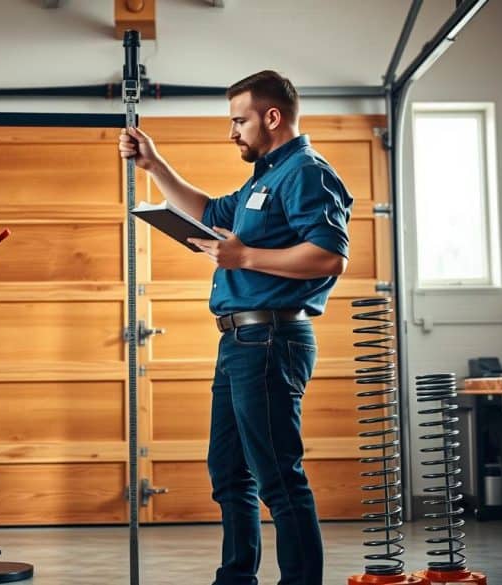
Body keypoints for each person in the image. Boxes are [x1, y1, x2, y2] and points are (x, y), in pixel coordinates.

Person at [119, 70, 352, 585]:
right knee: (228, 473)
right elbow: (207, 211)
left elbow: (329, 257)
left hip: (271, 338)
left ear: (272, 117)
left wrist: (243, 254)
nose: (232, 132)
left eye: (238, 120)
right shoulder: (264, 178)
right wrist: (154, 164)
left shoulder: (307, 173)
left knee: (278, 477)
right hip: (240, 340)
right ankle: (236, 578)